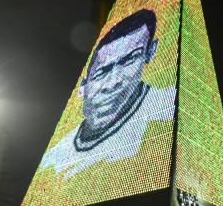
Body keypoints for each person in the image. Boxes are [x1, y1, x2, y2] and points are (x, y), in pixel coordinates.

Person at [38, 9, 175, 178]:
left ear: (150, 52)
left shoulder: (170, 111)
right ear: (82, 87)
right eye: (102, 72)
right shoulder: (54, 158)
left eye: (130, 59)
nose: (114, 81)